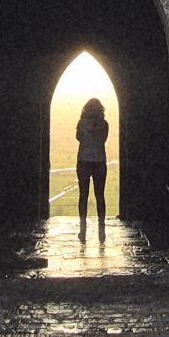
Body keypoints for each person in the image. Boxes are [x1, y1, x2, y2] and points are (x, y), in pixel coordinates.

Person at [75, 97, 109, 242]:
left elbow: (79, 138)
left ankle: (83, 225)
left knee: (83, 194)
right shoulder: (104, 125)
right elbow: (103, 139)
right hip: (99, 161)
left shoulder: (81, 124)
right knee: (100, 194)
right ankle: (101, 225)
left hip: (83, 160)